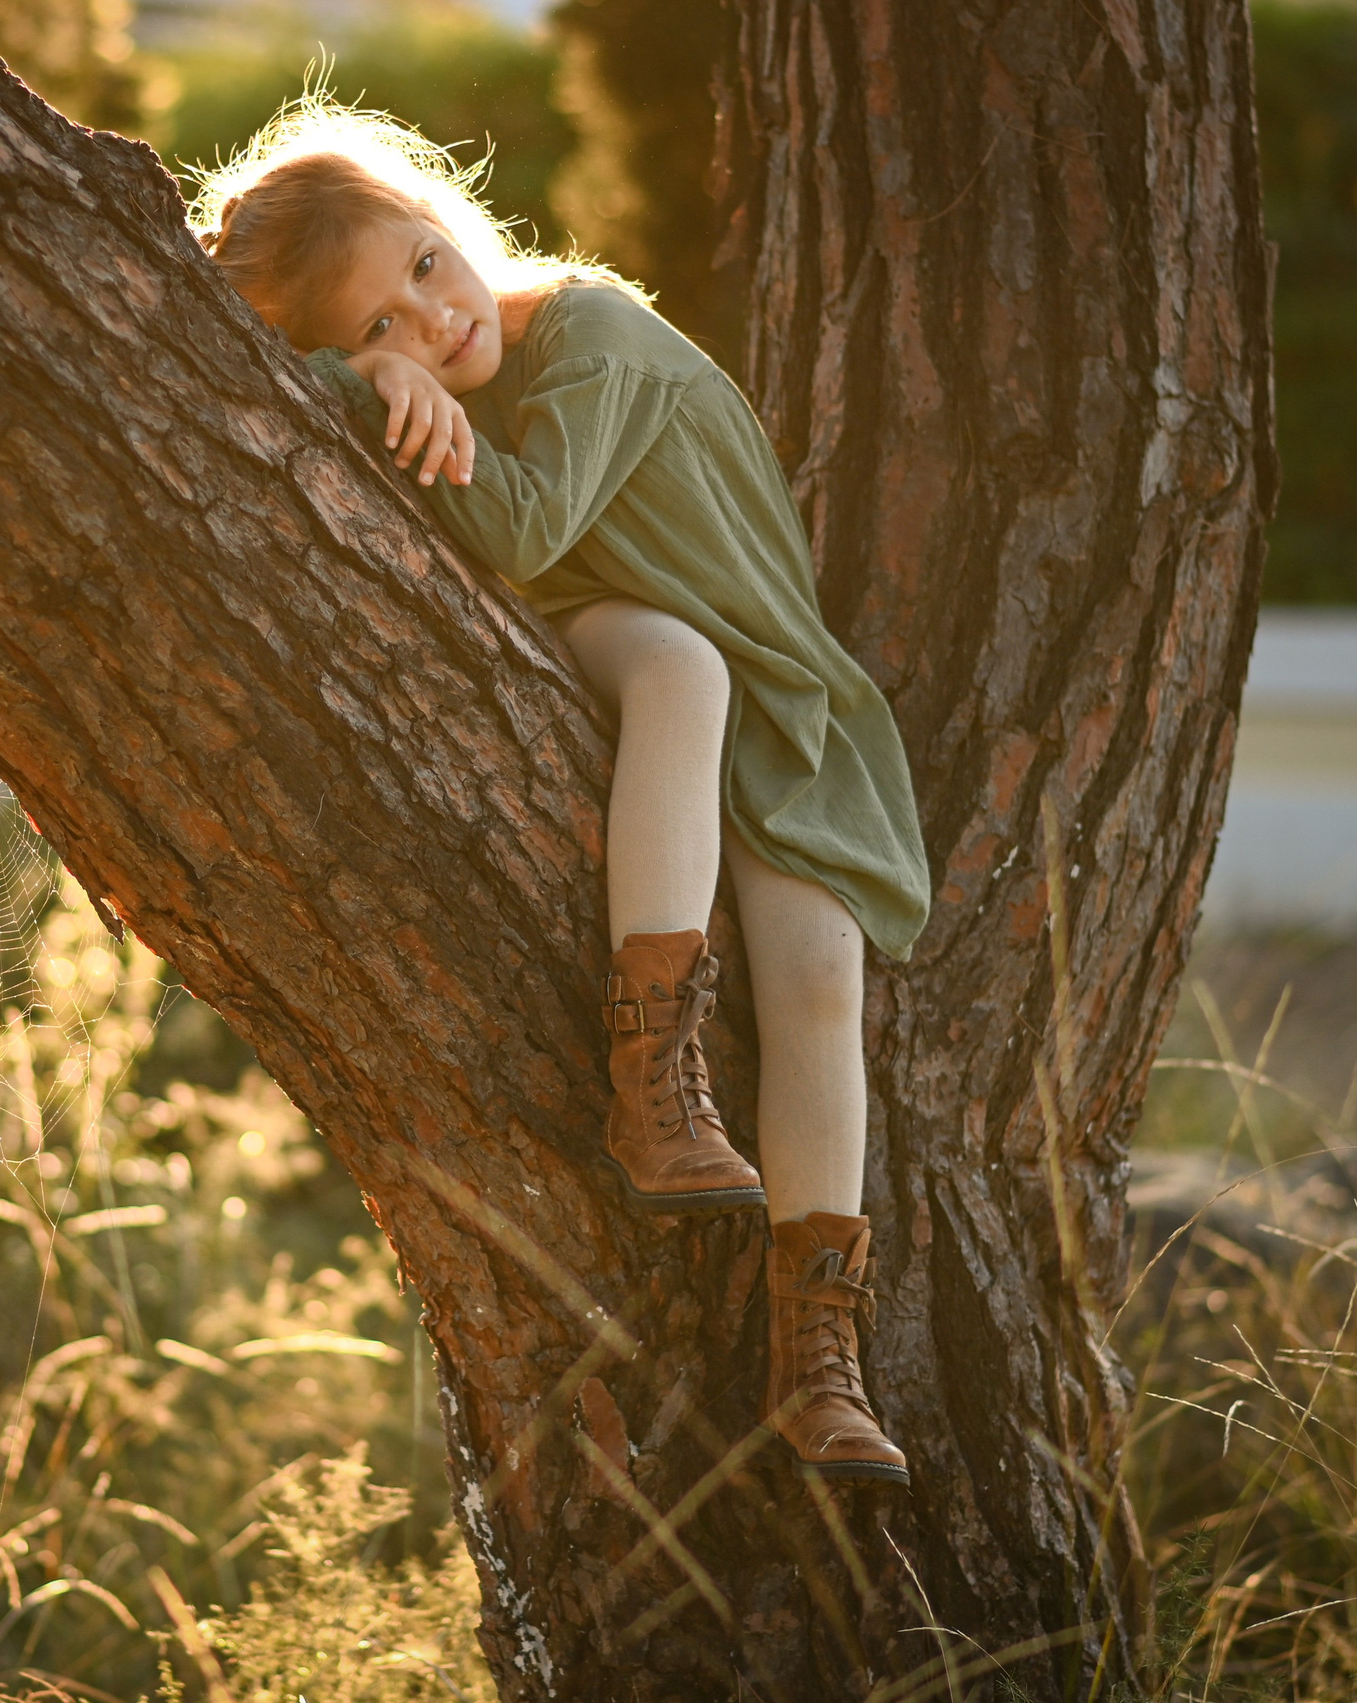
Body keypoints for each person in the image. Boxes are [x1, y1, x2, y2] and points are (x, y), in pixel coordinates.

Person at [195, 100, 933, 1486]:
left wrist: (377, 385)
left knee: (820, 981)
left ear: (443, 213)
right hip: (631, 647)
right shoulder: (450, 399)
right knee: (677, 662)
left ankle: (819, 1363)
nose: (430, 323)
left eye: (423, 266)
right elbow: (540, 553)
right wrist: (365, 390)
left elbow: (529, 524)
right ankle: (656, 1077)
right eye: (374, 334)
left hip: (790, 711)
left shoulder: (590, 333)